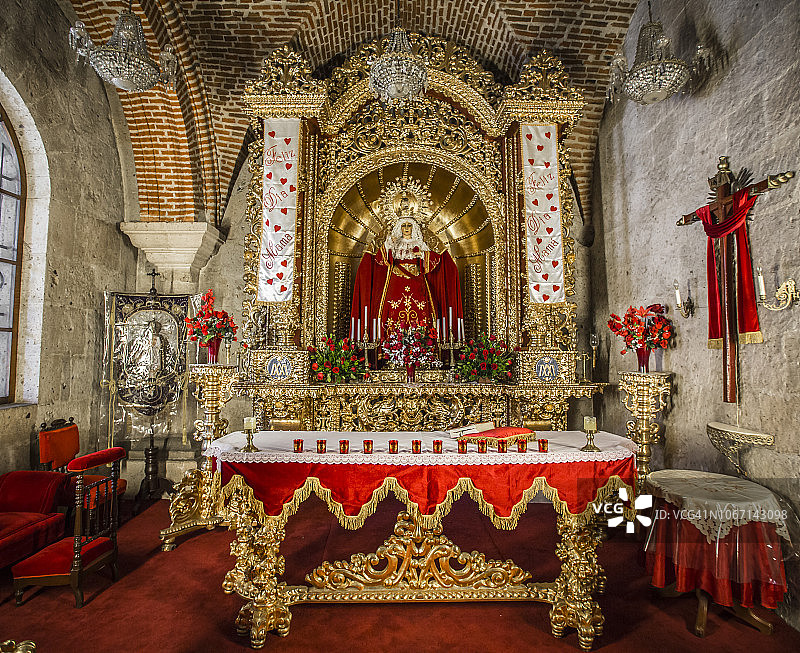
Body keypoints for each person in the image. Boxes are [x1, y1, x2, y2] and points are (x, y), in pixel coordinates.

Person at [350, 193, 463, 341]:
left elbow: (436, 261)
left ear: (414, 227)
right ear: (399, 227)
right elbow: (379, 260)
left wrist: (422, 255)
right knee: (392, 311)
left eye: (409, 225)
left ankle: (422, 347)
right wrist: (389, 244)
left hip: (418, 284)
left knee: (423, 310)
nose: (407, 228)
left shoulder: (421, 242)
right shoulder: (391, 242)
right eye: (403, 225)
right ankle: (391, 347)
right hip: (395, 284)